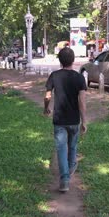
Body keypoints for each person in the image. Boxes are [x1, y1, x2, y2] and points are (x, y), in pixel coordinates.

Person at [43, 47, 87, 192]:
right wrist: (84, 121)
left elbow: (48, 96)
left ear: (60, 61)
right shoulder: (79, 78)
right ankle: (71, 166)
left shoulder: (54, 76)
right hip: (74, 120)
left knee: (61, 149)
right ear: (73, 60)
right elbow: (82, 101)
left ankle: (65, 180)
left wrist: (46, 108)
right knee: (72, 146)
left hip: (59, 120)